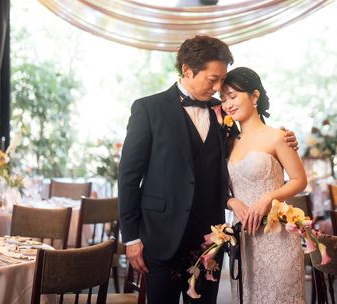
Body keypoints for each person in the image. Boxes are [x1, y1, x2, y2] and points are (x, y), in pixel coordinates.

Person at [119, 35, 297, 303]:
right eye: (212, 79)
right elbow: (128, 177)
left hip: (210, 238)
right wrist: (131, 238)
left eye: (221, 80)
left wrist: (286, 139)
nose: (217, 88)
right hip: (160, 236)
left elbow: (248, 145)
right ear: (187, 70)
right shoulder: (148, 109)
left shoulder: (223, 110)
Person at [221, 67, 307, 304]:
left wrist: (268, 198)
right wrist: (232, 201)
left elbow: (300, 180)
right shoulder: (227, 142)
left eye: (233, 96)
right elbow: (218, 188)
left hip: (277, 237)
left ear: (254, 96)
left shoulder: (278, 136)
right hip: (244, 239)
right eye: (224, 99)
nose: (228, 104)